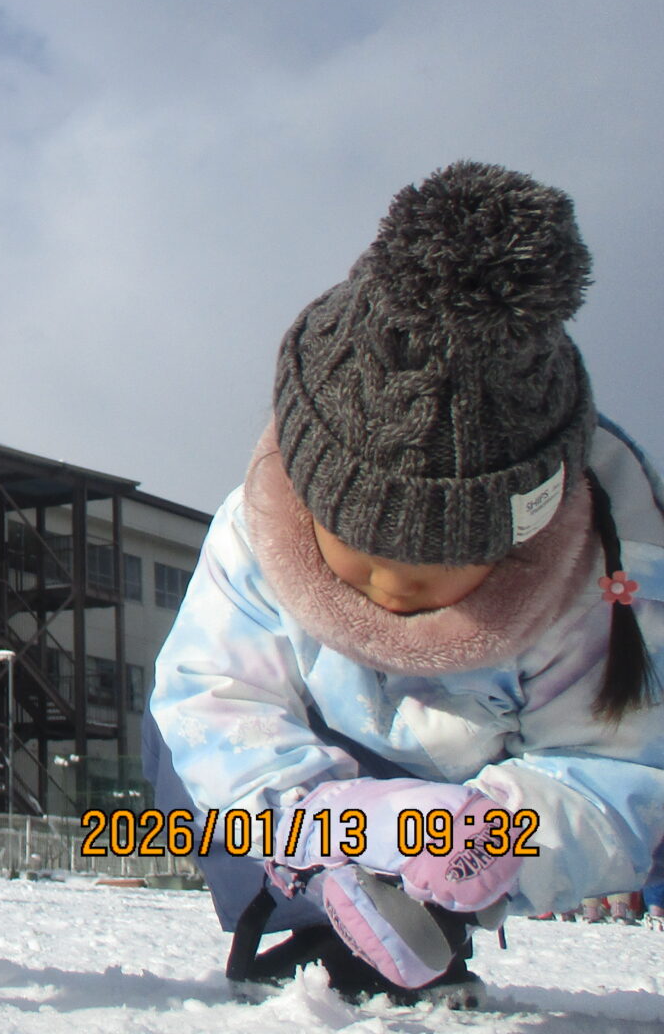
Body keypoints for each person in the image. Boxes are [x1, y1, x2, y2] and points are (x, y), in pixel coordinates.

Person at [145, 162, 664, 1010]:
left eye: (430, 570)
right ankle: (317, 904)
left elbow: (617, 763)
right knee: (180, 735)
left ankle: (428, 911)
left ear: (520, 537)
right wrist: (331, 821)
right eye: (355, 555)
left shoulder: (598, 569)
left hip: (489, 793)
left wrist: (497, 838)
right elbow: (213, 695)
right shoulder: (259, 528)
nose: (386, 588)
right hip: (322, 771)